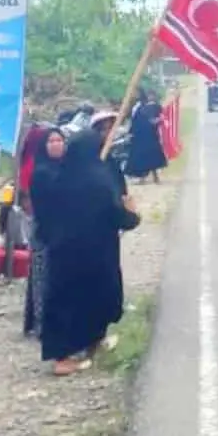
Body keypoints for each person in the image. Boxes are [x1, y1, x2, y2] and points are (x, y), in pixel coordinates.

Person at [38, 129, 140, 376]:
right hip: (97, 254)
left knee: (66, 301)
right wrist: (133, 212)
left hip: (63, 254)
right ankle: (70, 357)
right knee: (98, 296)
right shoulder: (100, 182)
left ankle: (77, 349)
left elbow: (44, 217)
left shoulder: (58, 179)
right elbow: (121, 218)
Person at [23, 126, 65, 339]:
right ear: (44, 146)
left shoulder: (68, 170)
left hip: (62, 234)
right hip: (44, 233)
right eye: (51, 141)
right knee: (42, 280)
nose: (56, 144)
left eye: (59, 140)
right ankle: (41, 325)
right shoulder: (41, 173)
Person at [125, 90, 168, 184]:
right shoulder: (136, 106)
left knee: (151, 155)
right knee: (143, 157)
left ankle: (154, 177)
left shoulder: (150, 106)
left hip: (148, 134)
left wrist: (157, 121)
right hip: (139, 134)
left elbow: (154, 119)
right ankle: (143, 178)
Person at [90, 111, 129, 198]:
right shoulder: (91, 151)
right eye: (104, 129)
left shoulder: (110, 156)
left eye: (110, 128)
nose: (108, 132)